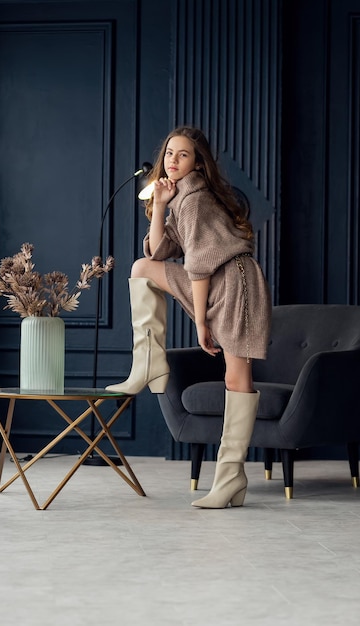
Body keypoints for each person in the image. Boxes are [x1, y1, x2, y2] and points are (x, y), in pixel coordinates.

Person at [106, 126, 272, 508]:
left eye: (183, 155)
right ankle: (148, 363)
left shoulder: (196, 200)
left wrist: (199, 322)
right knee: (141, 267)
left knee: (237, 375)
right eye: (169, 154)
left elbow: (199, 266)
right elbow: (158, 251)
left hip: (235, 284)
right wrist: (161, 204)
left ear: (198, 161)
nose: (173, 161)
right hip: (216, 280)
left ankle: (230, 478)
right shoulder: (181, 196)